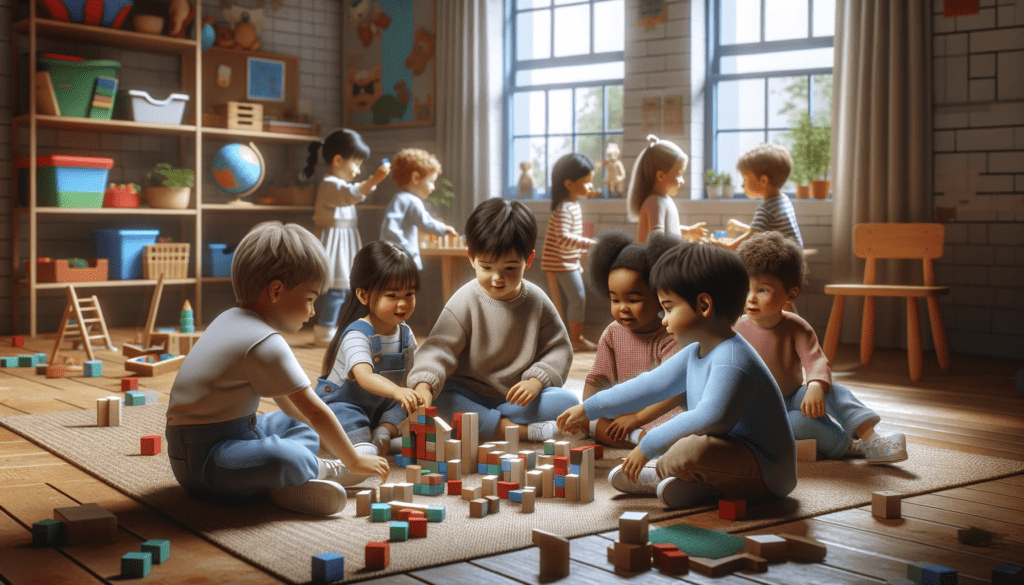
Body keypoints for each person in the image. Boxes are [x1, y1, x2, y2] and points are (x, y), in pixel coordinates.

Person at [165, 221, 388, 517]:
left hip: (235, 436)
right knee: (283, 457)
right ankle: (328, 471)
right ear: (276, 290)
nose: (312, 312)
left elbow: (296, 409)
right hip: (206, 465)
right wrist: (353, 461)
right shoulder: (265, 342)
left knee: (295, 426)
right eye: (310, 299)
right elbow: (315, 411)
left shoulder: (230, 318)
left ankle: (286, 484)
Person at [557, 242, 797, 509]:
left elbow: (709, 418)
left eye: (669, 308)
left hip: (767, 473)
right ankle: (698, 488)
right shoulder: (696, 350)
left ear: (704, 305)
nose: (663, 320)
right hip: (729, 455)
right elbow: (649, 385)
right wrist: (589, 408)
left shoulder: (733, 359)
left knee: (691, 446)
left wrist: (647, 447)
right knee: (688, 442)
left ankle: (665, 474)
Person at [406, 198, 580, 442]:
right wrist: (424, 385)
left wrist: (535, 380)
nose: (497, 278)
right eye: (486, 267)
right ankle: (512, 430)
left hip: (514, 398)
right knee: (443, 399)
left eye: (509, 268)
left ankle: (487, 424)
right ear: (471, 258)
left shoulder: (537, 301)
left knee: (569, 402)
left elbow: (559, 349)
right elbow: (438, 349)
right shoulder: (465, 300)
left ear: (528, 261)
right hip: (467, 394)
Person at [735, 231, 908, 463]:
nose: (751, 298)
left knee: (832, 390)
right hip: (760, 413)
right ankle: (848, 445)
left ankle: (871, 439)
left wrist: (816, 384)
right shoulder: (735, 329)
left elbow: (815, 360)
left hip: (793, 396)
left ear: (791, 293)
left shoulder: (797, 327)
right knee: (797, 423)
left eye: (762, 290)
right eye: (746, 288)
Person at [315, 240, 423, 456]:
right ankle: (370, 444)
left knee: (404, 406)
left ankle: (383, 433)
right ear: (364, 295)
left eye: (409, 294)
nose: (402, 303)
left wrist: (417, 393)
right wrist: (397, 390)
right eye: (392, 296)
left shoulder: (405, 333)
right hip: (346, 404)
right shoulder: (357, 333)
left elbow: (417, 370)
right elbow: (364, 377)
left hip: (382, 407)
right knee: (344, 417)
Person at [582, 230, 684, 449]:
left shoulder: (670, 336)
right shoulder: (612, 333)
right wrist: (587, 408)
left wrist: (638, 419)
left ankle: (644, 440)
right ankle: (641, 441)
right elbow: (598, 379)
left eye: (633, 300)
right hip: (622, 414)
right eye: (615, 299)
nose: (622, 308)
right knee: (586, 421)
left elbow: (674, 391)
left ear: (660, 297)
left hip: (661, 412)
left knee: (678, 430)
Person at [303, 128, 391, 346]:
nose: (358, 171)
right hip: (333, 243)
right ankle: (324, 331)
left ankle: (335, 328)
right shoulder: (329, 185)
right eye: (356, 163)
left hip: (344, 240)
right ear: (338, 160)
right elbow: (349, 195)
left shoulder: (337, 185)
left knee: (342, 289)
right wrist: (375, 179)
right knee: (337, 290)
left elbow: (351, 193)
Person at [541, 153, 598, 351]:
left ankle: (574, 338)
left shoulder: (572, 205)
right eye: (586, 182)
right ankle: (576, 339)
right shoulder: (564, 208)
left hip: (567, 262)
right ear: (569, 184)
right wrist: (590, 244)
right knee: (578, 298)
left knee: (576, 298)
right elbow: (564, 239)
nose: (591, 186)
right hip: (559, 263)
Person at [379, 148, 459, 270]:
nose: (433, 187)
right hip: (400, 260)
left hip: (398, 259)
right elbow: (424, 222)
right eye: (431, 181)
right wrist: (406, 250)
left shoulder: (403, 199)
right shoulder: (408, 199)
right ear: (416, 178)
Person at [715, 143, 803, 251]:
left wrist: (714, 243)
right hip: (795, 255)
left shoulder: (765, 210)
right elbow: (762, 231)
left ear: (763, 181)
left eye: (745, 180)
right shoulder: (783, 199)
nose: (742, 185)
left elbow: (738, 245)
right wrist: (740, 226)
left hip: (782, 262)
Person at [627, 134, 705, 244]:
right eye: (679, 175)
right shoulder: (654, 203)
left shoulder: (662, 200)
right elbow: (657, 240)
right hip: (655, 261)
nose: (682, 181)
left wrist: (687, 231)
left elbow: (668, 232)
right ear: (661, 176)